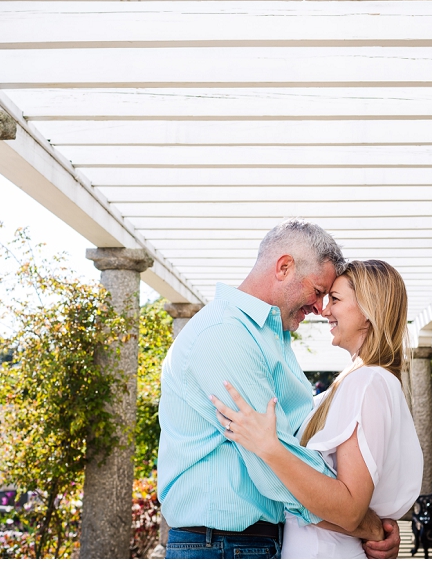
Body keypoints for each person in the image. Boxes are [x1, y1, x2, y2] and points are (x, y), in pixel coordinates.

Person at [158, 219, 402, 559]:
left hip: (248, 544)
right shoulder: (224, 334)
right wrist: (365, 524)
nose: (320, 308)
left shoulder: (270, 339)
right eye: (318, 292)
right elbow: (274, 464)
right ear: (284, 267)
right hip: (222, 547)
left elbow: (303, 441)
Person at [213, 259, 423, 558]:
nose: (324, 310)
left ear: (368, 311)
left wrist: (268, 448)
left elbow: (349, 509)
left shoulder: (367, 382)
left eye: (335, 299)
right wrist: (376, 528)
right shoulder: (355, 383)